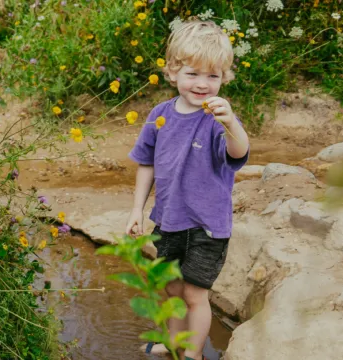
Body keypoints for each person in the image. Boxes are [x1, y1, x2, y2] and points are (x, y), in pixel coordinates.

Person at [126, 19, 250, 360]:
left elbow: (238, 152)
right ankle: (174, 342)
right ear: (173, 73)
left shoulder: (217, 118)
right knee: (170, 288)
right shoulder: (160, 114)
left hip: (207, 225)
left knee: (195, 293)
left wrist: (231, 123)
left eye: (212, 76)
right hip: (168, 220)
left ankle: (193, 355)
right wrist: (137, 209)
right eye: (193, 74)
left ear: (224, 78)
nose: (202, 84)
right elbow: (146, 163)